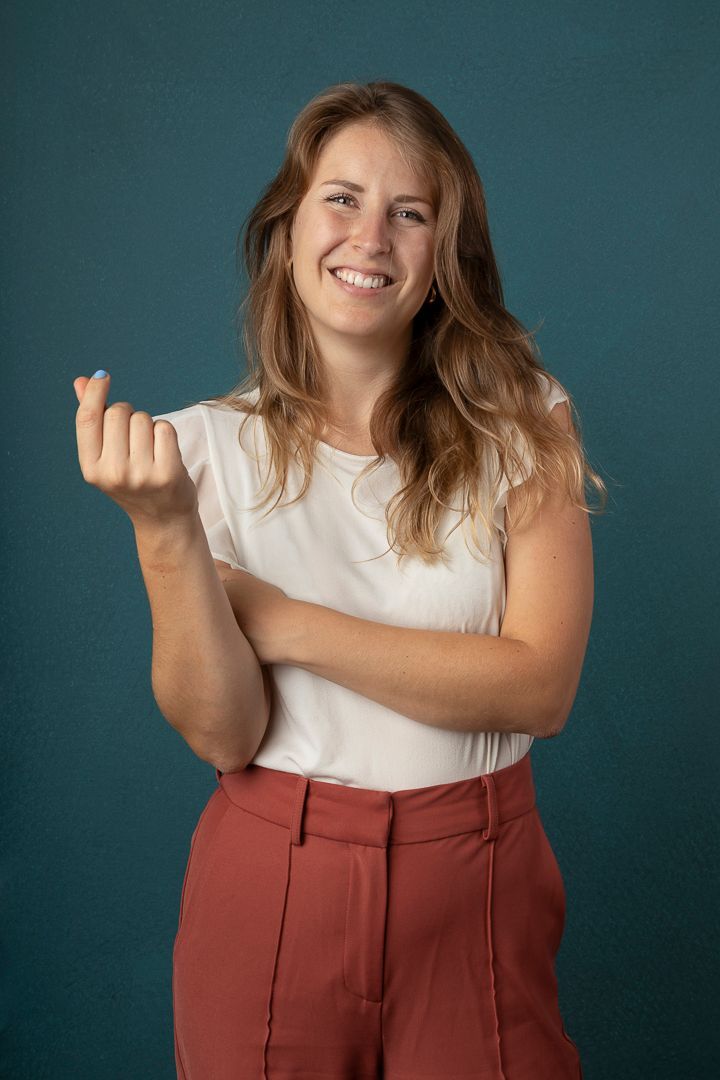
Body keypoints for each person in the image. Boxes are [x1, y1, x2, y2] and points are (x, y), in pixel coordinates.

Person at [75, 80, 605, 1079]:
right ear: (288, 231)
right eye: (343, 199)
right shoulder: (199, 452)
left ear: (444, 257)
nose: (372, 236)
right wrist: (164, 533)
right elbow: (225, 734)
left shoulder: (529, 419)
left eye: (411, 213)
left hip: (482, 883)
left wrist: (280, 620)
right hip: (273, 886)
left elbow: (541, 689)